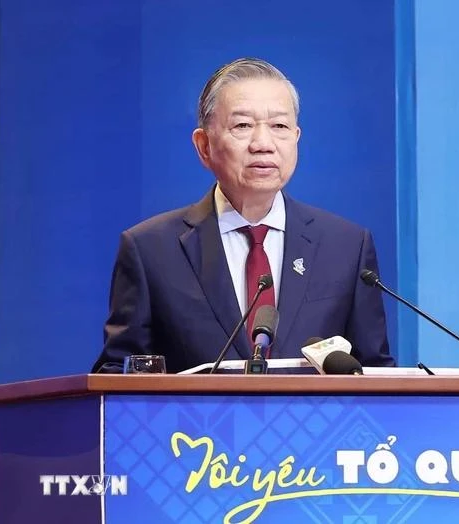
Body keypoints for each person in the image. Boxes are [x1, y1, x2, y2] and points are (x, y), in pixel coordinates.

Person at [92, 57, 395, 374]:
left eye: (279, 126)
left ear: (296, 138)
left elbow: (374, 371)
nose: (263, 144)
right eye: (242, 126)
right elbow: (118, 377)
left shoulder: (346, 247)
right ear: (204, 146)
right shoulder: (151, 250)